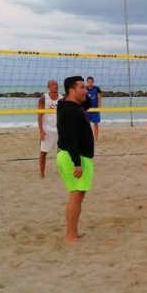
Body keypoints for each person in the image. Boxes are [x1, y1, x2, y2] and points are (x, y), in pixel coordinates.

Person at [56, 75, 94, 244]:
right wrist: (77, 163)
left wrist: (83, 95)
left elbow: (88, 103)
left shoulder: (72, 106)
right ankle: (70, 236)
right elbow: (70, 138)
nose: (85, 90)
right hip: (73, 157)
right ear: (71, 90)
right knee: (76, 196)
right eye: (81, 87)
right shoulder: (70, 111)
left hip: (75, 155)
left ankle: (73, 234)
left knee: (78, 196)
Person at [37, 79, 59, 178]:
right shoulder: (43, 98)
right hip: (47, 130)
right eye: (53, 84)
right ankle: (42, 173)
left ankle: (64, 170)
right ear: (48, 87)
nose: (55, 86)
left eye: (56, 84)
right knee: (43, 153)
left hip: (59, 131)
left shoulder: (61, 98)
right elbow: (39, 116)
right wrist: (41, 131)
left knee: (62, 153)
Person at [84, 76, 102, 141]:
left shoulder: (97, 88)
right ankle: (88, 138)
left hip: (95, 109)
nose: (90, 83)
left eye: (91, 82)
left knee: (96, 124)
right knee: (87, 125)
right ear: (87, 82)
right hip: (87, 110)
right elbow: (83, 98)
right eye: (89, 82)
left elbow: (99, 98)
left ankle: (96, 138)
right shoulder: (85, 89)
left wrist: (99, 106)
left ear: (93, 82)